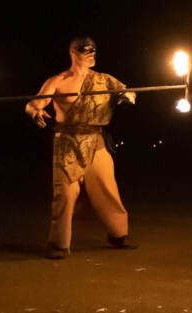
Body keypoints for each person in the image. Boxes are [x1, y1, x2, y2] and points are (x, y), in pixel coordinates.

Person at [25, 36, 138, 259]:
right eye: (85, 50)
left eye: (93, 49)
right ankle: (59, 244)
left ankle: (118, 235)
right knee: (66, 193)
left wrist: (127, 97)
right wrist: (35, 112)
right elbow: (34, 103)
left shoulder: (104, 80)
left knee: (106, 187)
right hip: (67, 142)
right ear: (73, 53)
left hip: (95, 140)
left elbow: (128, 91)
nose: (90, 53)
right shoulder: (58, 81)